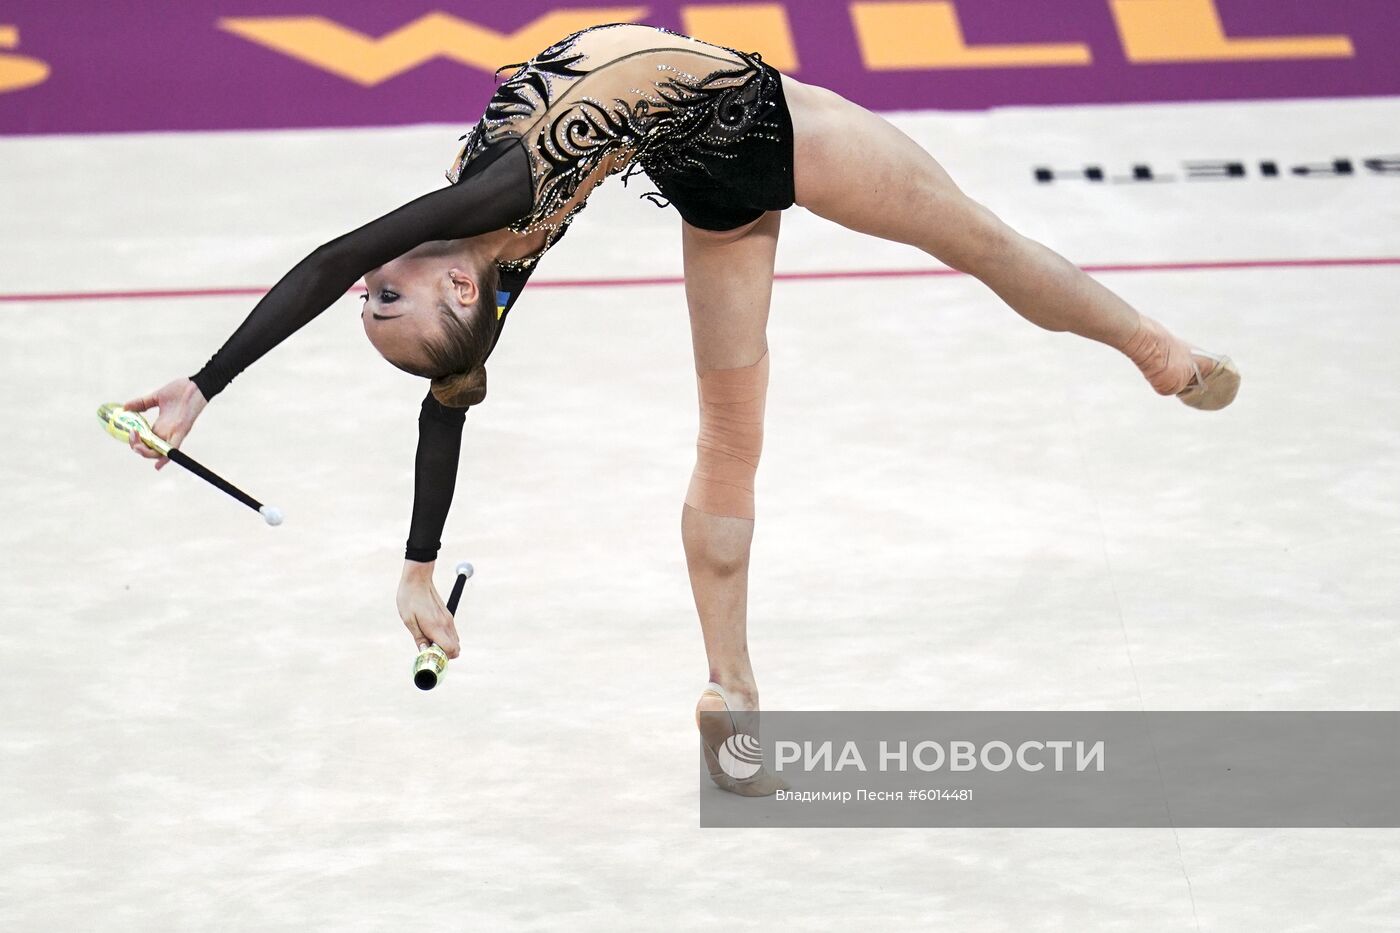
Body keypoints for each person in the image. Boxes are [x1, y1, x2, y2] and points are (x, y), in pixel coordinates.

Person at [123, 23, 1239, 795]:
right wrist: (403, 549)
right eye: (387, 300)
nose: (371, 285)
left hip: (699, 171)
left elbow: (392, 332)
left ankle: (732, 685)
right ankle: (1152, 349)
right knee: (976, 244)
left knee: (731, 428)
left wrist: (215, 390)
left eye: (372, 300)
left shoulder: (484, 237)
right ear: (458, 289)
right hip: (767, 131)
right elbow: (409, 351)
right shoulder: (488, 218)